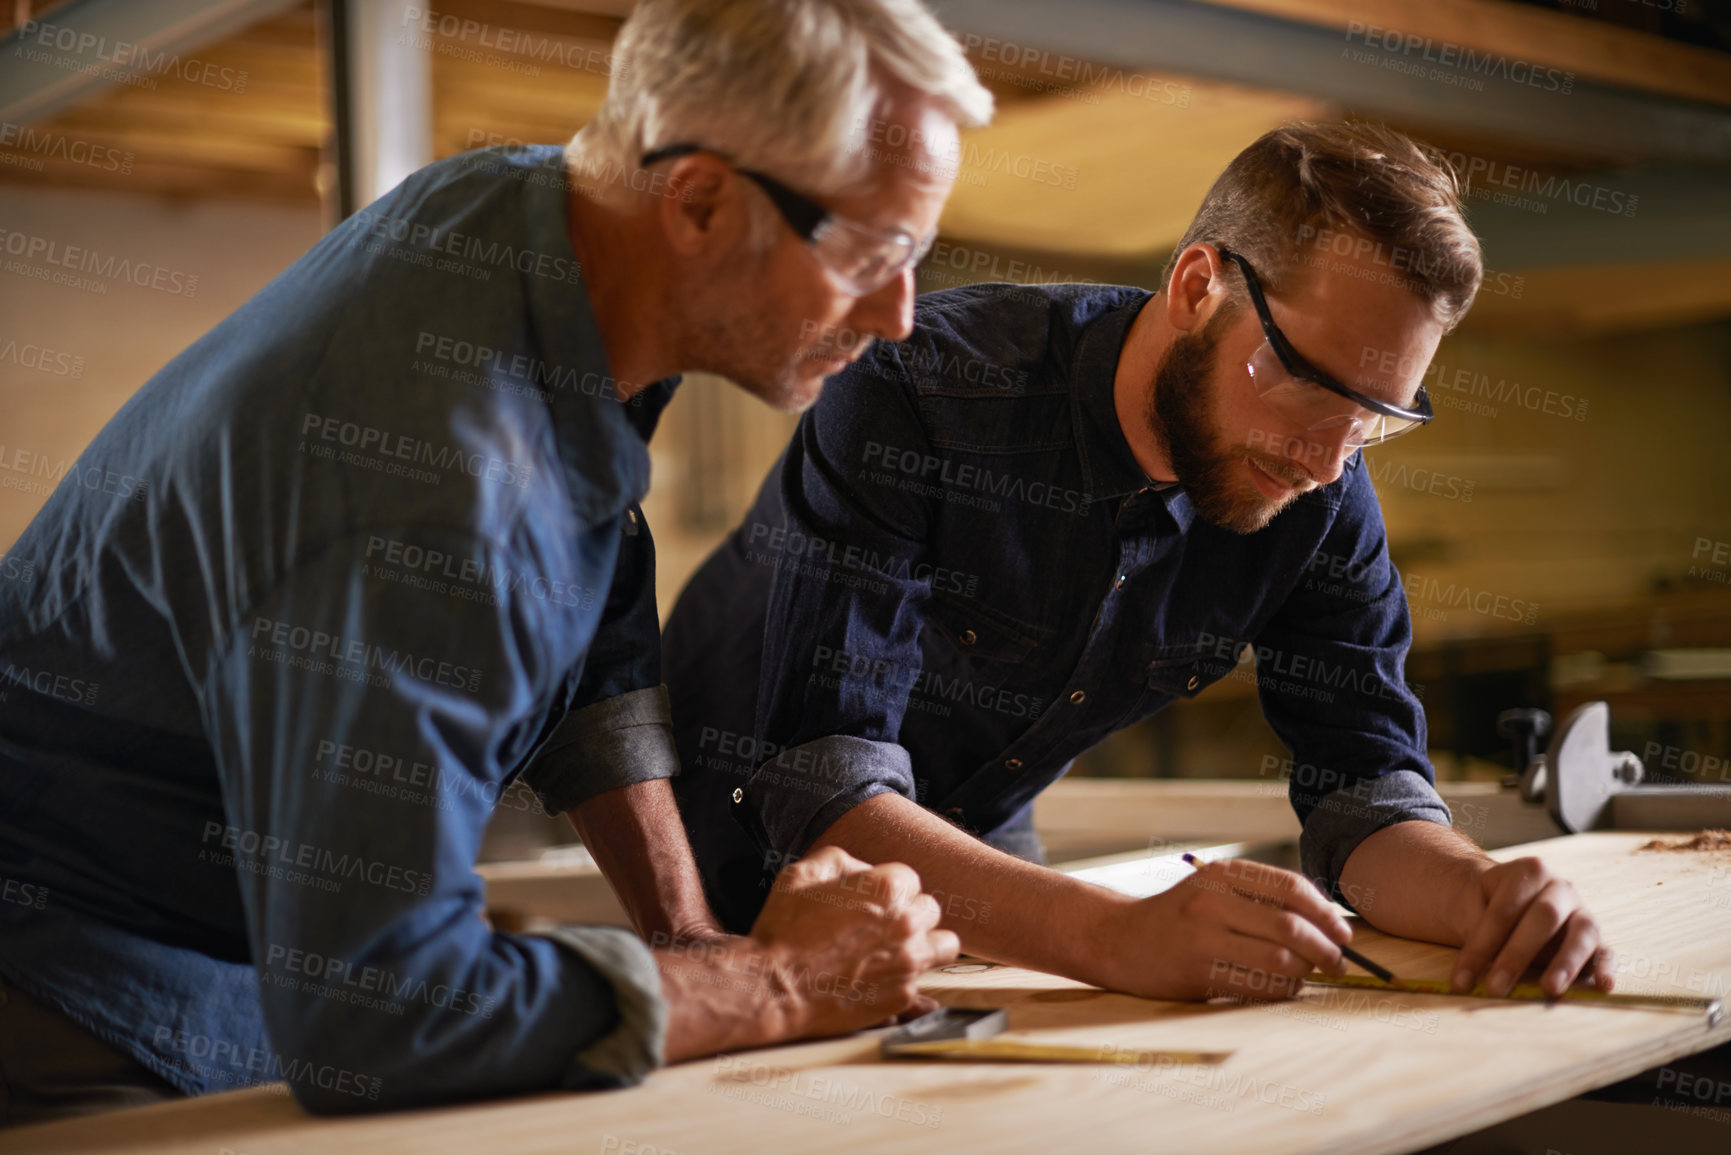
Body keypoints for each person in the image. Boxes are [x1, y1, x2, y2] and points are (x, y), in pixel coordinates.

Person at [0, 0, 991, 1125]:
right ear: (703, 200)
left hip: (238, 952)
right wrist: (781, 983)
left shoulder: (540, 225)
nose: (900, 316)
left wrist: (687, 938)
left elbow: (597, 596)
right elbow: (377, 1018)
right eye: (870, 250)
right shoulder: (438, 490)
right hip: (65, 979)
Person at [659, 121, 1614, 1006]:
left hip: (972, 840)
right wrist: (1118, 936)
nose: (1325, 460)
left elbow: (1362, 789)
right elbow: (820, 777)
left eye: (1373, 418)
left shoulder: (1317, 489)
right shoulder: (920, 392)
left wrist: (1479, 894)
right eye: (1308, 386)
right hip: (708, 841)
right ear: (1198, 286)